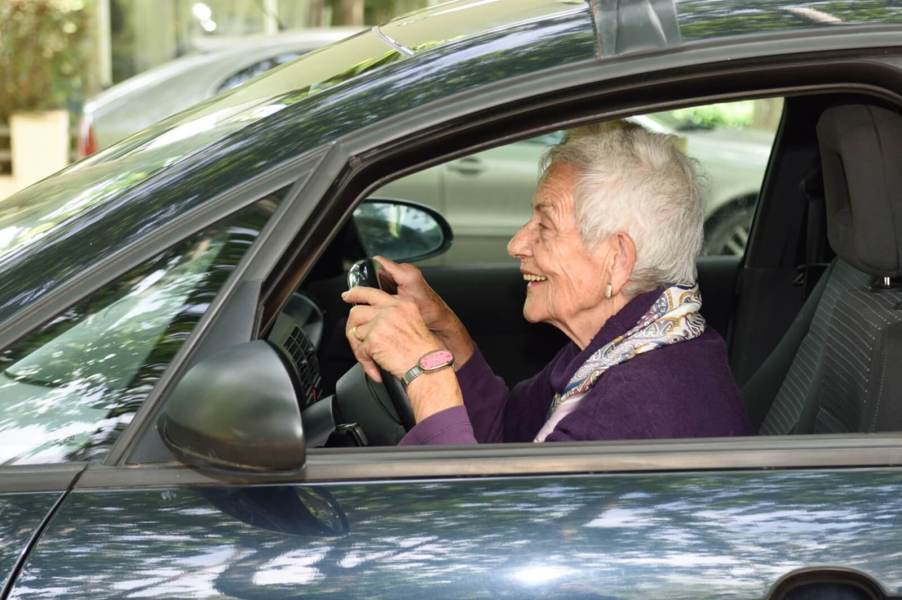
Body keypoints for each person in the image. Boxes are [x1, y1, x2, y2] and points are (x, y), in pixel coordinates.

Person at [342, 121, 751, 444]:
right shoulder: (619, 345)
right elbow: (509, 431)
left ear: (616, 259)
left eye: (545, 225)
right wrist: (442, 329)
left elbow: (485, 531)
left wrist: (426, 375)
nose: (517, 243)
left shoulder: (636, 403)